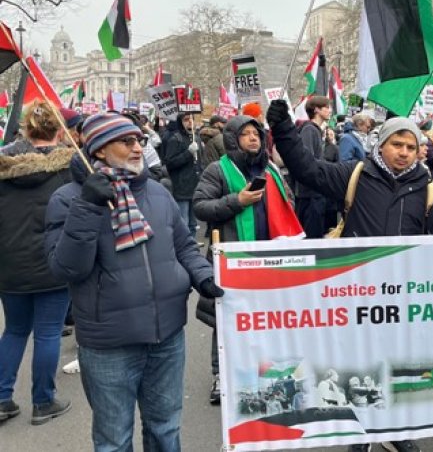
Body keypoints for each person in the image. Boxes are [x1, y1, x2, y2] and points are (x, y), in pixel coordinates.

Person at [45, 112, 223, 451]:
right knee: (114, 439)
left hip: (167, 337)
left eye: (139, 140)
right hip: (109, 345)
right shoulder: (68, 199)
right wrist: (87, 207)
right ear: (98, 150)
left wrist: (204, 276)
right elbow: (66, 269)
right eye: (126, 142)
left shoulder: (156, 192)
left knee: (165, 430)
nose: (138, 148)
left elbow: (184, 246)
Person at [267, 100, 433, 452]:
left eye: (411, 147)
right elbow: (306, 169)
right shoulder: (356, 174)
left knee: (397, 363)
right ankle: (361, 433)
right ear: (381, 144)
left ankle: (395, 430)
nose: (404, 153)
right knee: (361, 364)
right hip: (357, 291)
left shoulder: (428, 186)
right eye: (397, 145)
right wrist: (283, 126)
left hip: (401, 294)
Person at [193, 114, 303, 405]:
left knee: (266, 319)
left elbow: (289, 201)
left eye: (257, 133)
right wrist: (237, 201)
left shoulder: (272, 169)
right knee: (226, 320)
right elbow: (201, 207)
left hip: (269, 260)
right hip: (233, 260)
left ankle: (264, 371)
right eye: (246, 134)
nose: (254, 138)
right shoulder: (218, 170)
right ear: (232, 139)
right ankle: (220, 374)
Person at [0, 101, 75, 425]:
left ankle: (2, 399)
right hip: (52, 263)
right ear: (59, 131)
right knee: (47, 333)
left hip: (9, 264)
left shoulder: (4, 169)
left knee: (14, 331)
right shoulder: (68, 169)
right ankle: (42, 401)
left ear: (26, 131)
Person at [162, 112, 204, 234]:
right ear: (180, 122)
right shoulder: (175, 139)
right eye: (186, 119)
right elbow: (170, 163)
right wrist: (188, 153)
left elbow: (200, 162)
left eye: (192, 119)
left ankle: (192, 247)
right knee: (183, 222)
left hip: (195, 186)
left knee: (193, 223)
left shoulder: (196, 137)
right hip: (181, 186)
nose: (190, 122)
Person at [296, 95, 332, 238]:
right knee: (312, 237)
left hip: (315, 191)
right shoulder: (309, 130)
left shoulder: (315, 130)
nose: (330, 111)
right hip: (310, 194)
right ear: (316, 110)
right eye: (327, 107)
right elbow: (307, 160)